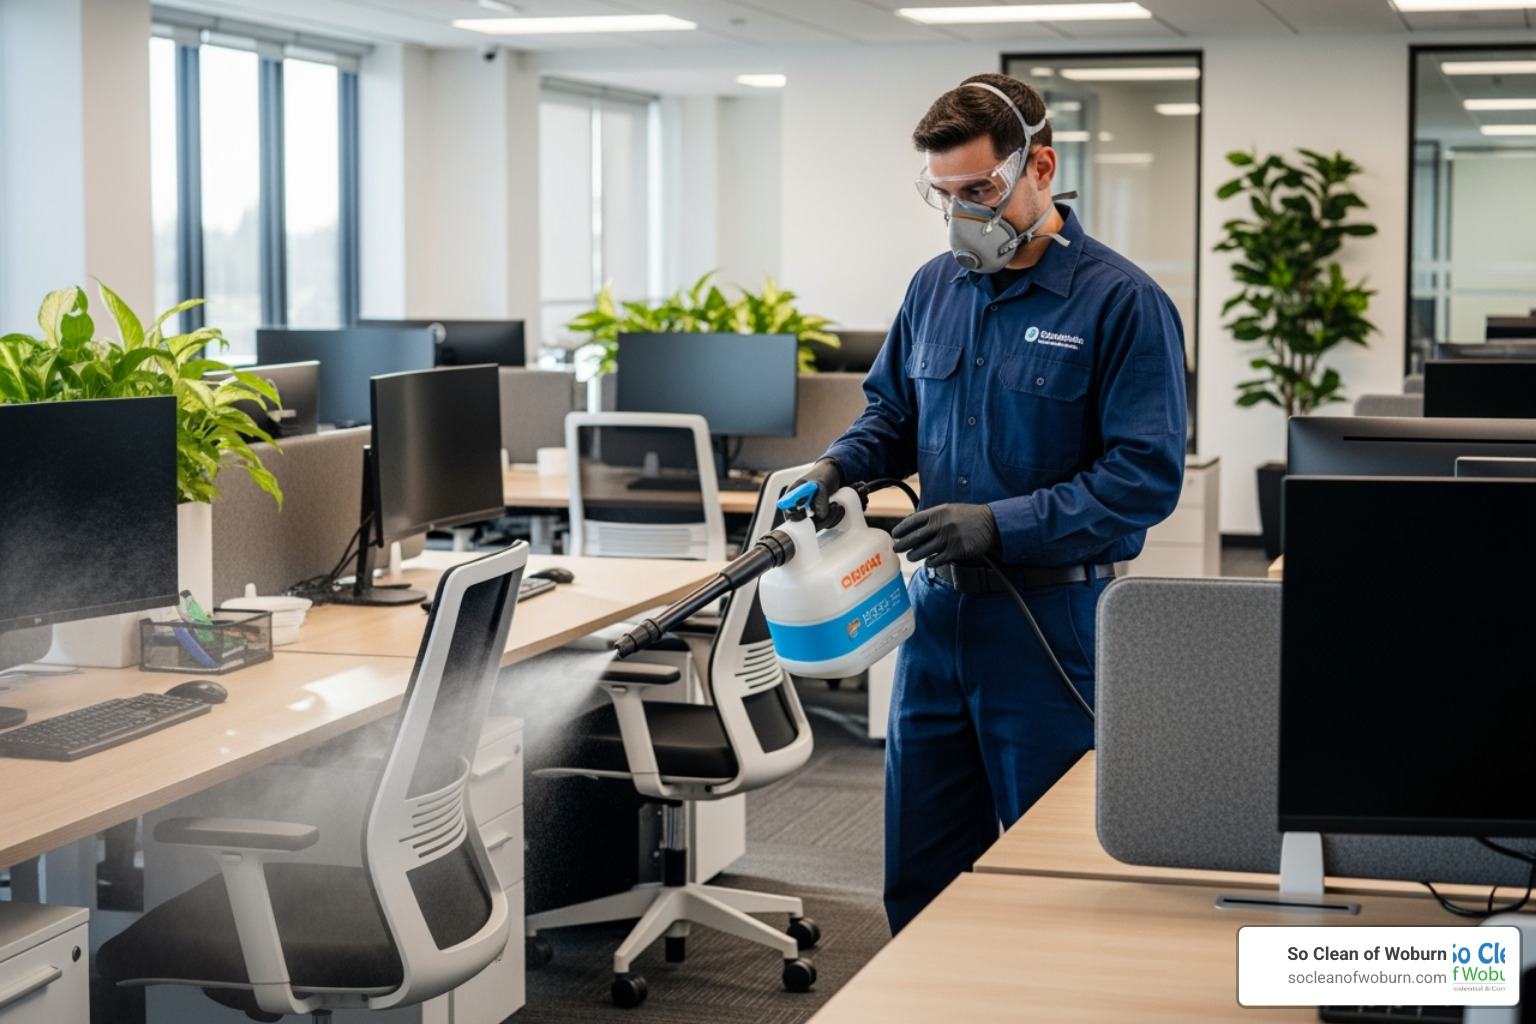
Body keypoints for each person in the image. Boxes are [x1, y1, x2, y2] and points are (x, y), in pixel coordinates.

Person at [793, 72, 1187, 933]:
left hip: (1052, 630)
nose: (963, 214)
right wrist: (839, 466)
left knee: (1056, 878)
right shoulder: (935, 287)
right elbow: (893, 415)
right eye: (945, 197)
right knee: (923, 869)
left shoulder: (1123, 302)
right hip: (935, 628)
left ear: (1038, 167)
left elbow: (1144, 478)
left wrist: (1000, 525)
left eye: (980, 191)